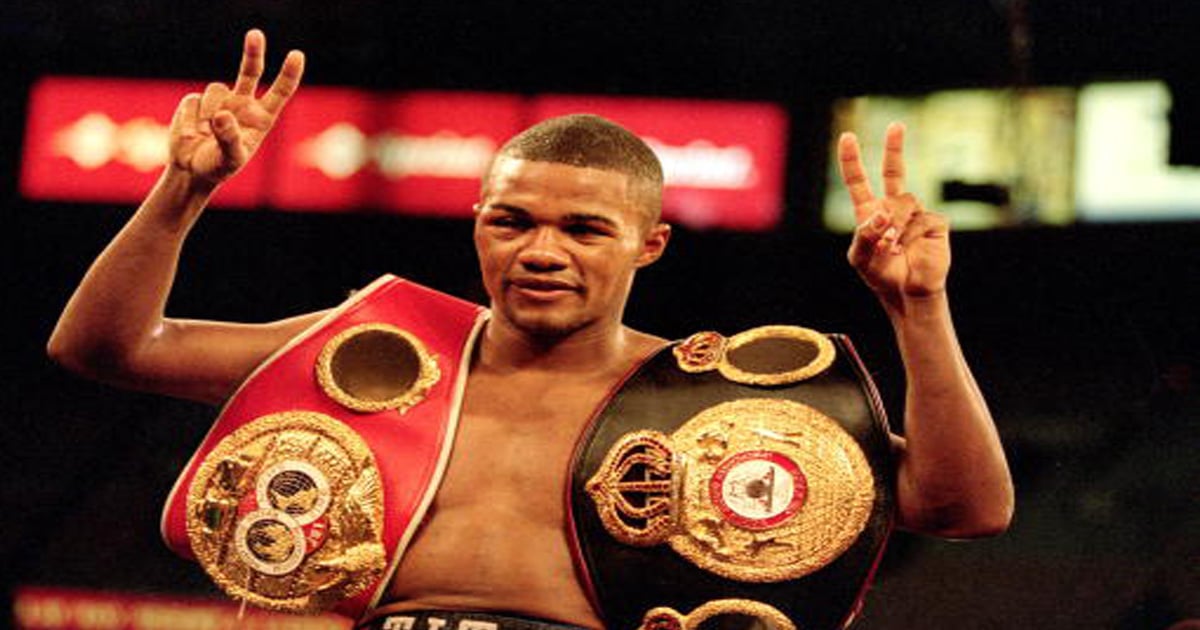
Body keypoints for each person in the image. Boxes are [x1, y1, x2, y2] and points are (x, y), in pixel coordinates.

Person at [47, 29, 1013, 630]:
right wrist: (184, 190)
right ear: (479, 227)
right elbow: (107, 347)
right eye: (513, 221)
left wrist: (916, 310)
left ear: (650, 245)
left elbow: (965, 508)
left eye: (586, 228)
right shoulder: (375, 348)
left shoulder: (712, 402)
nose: (542, 250)